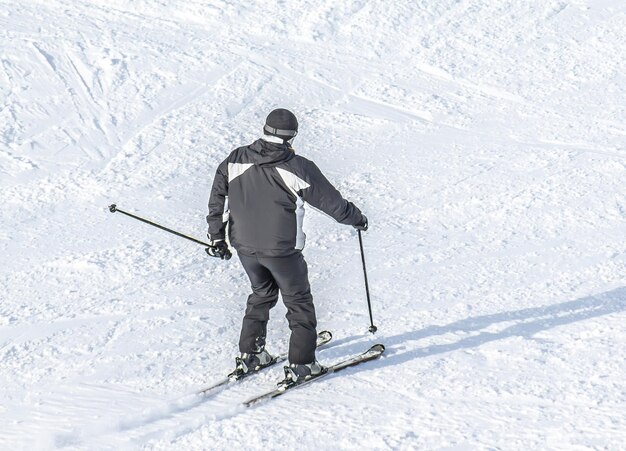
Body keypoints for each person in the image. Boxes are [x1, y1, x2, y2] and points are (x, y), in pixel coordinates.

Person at [206, 108, 368, 382]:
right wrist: (357, 218)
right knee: (298, 301)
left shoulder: (235, 159)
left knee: (261, 294)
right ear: (292, 136)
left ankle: (252, 354)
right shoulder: (297, 166)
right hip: (282, 251)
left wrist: (217, 236)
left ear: (265, 129)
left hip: (245, 247)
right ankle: (302, 364)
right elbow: (333, 204)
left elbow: (217, 197)